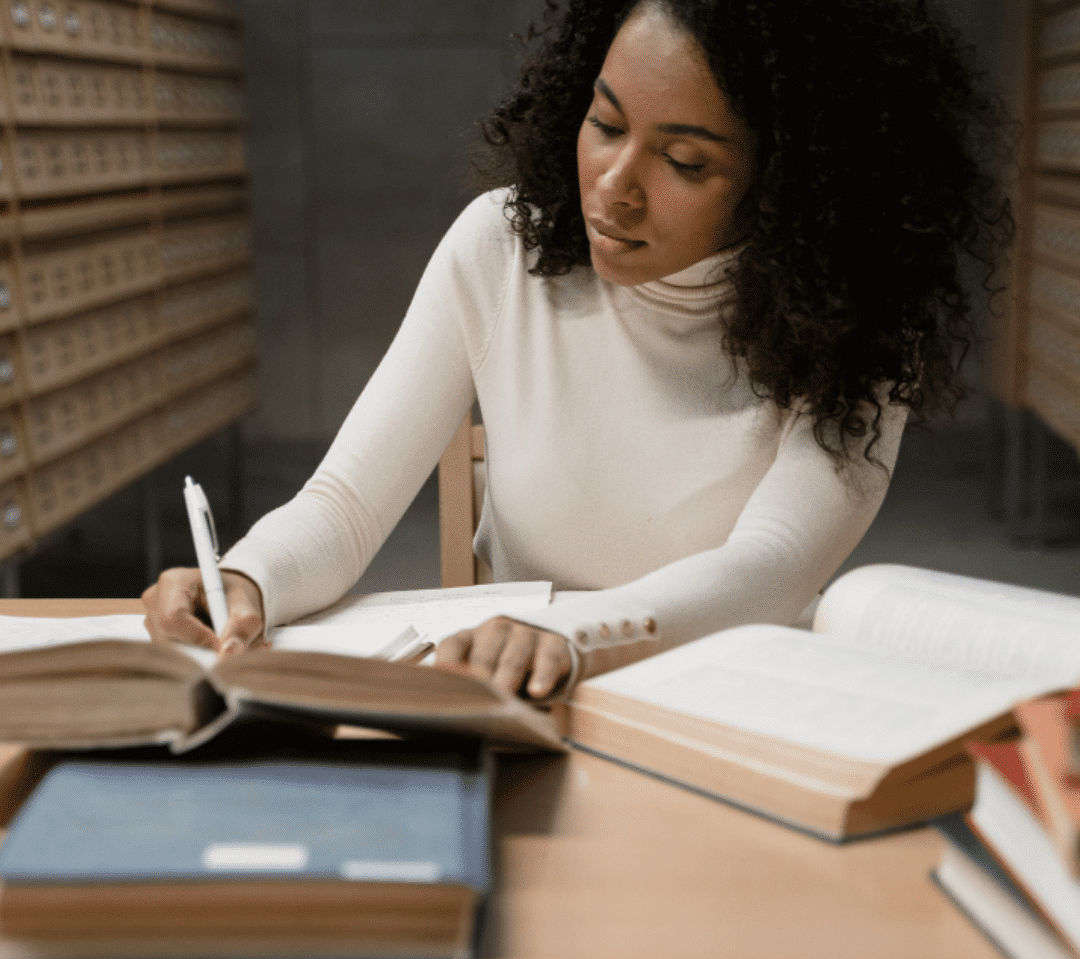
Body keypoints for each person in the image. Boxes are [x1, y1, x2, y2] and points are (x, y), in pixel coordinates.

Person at [144, 0, 1013, 699]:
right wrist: (246, 580)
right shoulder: (500, 249)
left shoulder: (857, 328)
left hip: (727, 704)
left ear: (788, 186)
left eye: (684, 161)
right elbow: (343, 506)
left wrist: (572, 634)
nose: (615, 184)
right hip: (526, 702)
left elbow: (772, 569)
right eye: (606, 123)